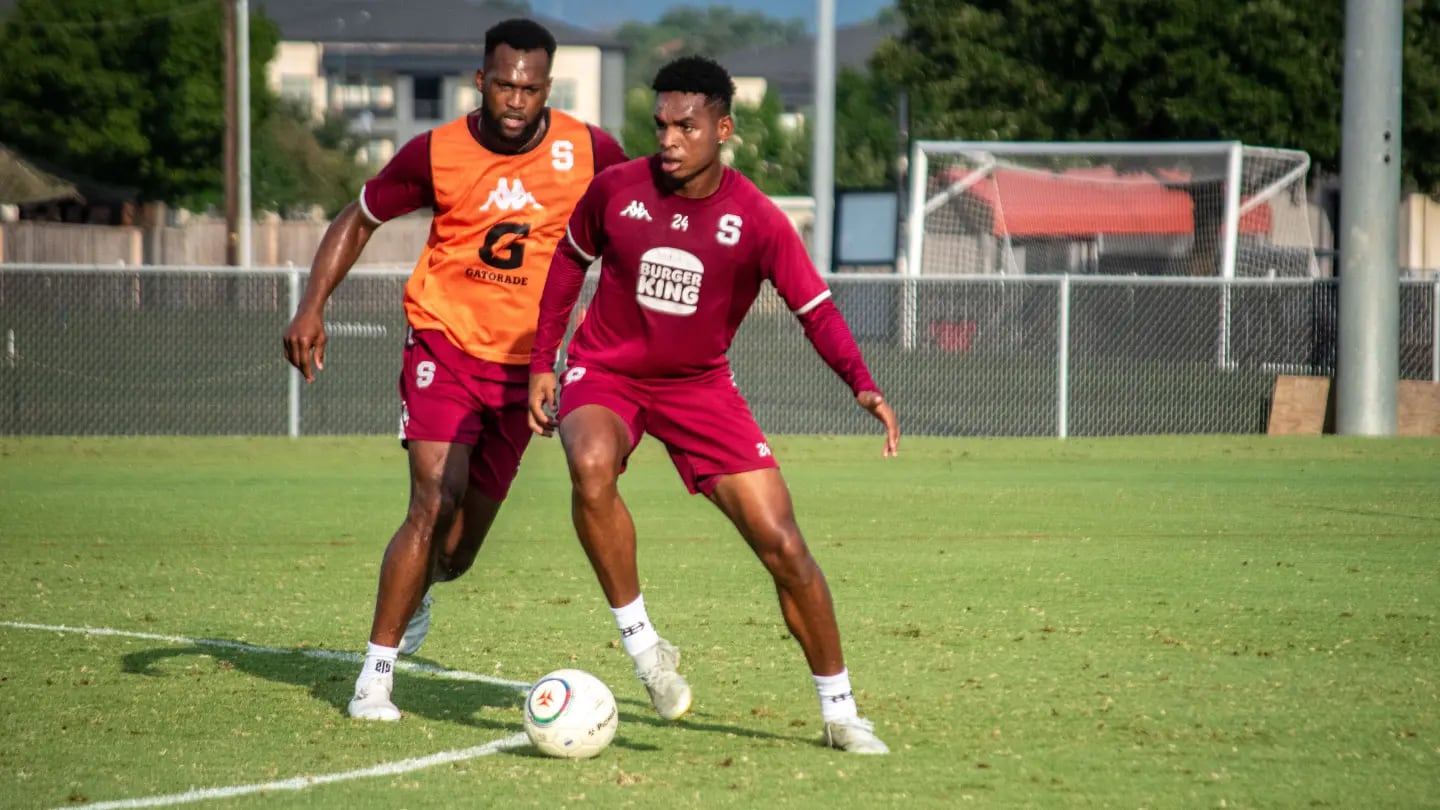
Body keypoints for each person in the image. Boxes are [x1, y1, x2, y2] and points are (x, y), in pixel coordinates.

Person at [526, 55, 899, 754]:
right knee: (591, 464)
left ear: (722, 129)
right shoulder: (614, 191)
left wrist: (861, 382)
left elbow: (814, 309)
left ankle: (841, 710)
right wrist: (543, 360)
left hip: (701, 388)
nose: (668, 139)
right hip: (607, 373)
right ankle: (645, 650)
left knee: (784, 547)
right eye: (661, 124)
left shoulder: (756, 219)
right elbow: (569, 260)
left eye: (686, 126)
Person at [282, 18, 626, 722]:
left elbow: (637, 219)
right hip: (442, 343)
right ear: (480, 80)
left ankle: (422, 589)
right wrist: (311, 305)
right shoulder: (436, 152)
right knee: (434, 497)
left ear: (547, 88)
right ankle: (374, 677)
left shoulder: (590, 151)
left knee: (458, 551)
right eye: (503, 84)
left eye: (529, 88)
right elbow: (359, 216)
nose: (515, 99)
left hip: (526, 372)